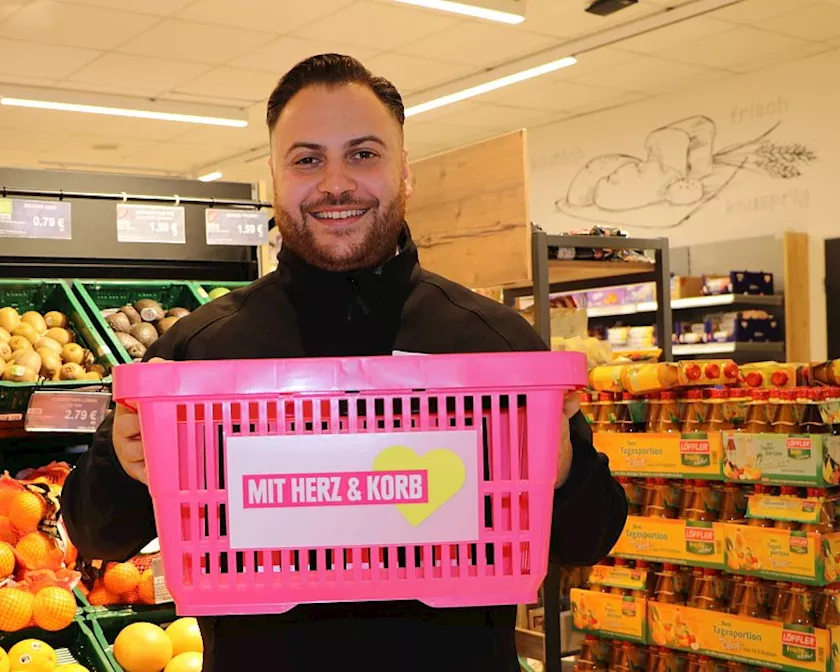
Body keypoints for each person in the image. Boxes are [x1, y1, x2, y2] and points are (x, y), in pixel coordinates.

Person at [62, 53, 627, 672]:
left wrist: (565, 470)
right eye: (307, 159)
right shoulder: (198, 352)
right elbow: (96, 534)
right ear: (276, 178)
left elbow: (589, 537)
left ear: (404, 171)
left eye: (363, 153)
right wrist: (122, 461)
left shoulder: (493, 343)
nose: (335, 183)